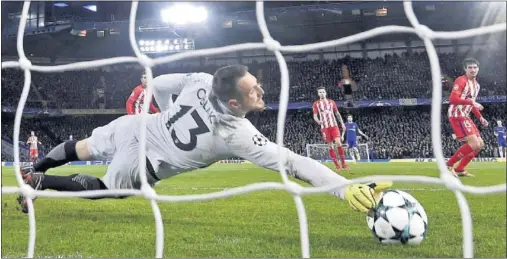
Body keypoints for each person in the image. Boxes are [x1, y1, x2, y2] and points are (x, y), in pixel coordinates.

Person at [18, 65, 391, 215]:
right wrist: (344, 188)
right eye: (253, 91)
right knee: (105, 188)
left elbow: (160, 85)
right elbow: (295, 163)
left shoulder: (200, 80)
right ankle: (39, 182)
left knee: (80, 147)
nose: (260, 91)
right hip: (149, 160)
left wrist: (165, 115)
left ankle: (34, 170)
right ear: (233, 102)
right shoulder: (237, 134)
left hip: (138, 125)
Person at [446, 58, 488, 177]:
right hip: (457, 115)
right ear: (465, 69)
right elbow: (452, 99)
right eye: (470, 67)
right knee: (474, 144)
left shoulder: (477, 86)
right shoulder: (461, 80)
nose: (473, 70)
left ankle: (460, 169)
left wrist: (480, 118)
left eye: (475, 67)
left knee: (480, 145)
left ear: (478, 69)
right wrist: (472, 103)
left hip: (466, 115)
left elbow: (471, 103)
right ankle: (449, 165)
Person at [312, 87, 348, 171]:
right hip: (324, 127)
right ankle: (337, 166)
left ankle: (344, 164)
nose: (322, 93)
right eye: (320, 92)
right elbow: (315, 116)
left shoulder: (331, 102)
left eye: (323, 92)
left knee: (339, 143)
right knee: (330, 146)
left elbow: (337, 113)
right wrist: (318, 121)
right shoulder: (316, 104)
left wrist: (342, 123)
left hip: (334, 126)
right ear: (318, 94)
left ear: (326, 93)